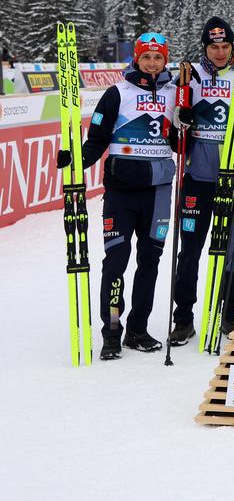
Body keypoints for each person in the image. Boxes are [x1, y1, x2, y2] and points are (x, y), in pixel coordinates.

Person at [58, 32, 177, 359]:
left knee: (150, 260)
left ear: (165, 60)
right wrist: (75, 160)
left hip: (158, 191)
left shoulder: (175, 94)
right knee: (116, 262)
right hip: (121, 192)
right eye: (146, 57)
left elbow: (182, 142)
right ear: (136, 59)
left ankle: (138, 328)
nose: (152, 63)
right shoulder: (116, 93)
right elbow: (96, 140)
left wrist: (185, 125)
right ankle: (112, 330)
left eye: (158, 58)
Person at [170, 17, 234, 345]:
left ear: (232, 47)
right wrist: (182, 119)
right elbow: (173, 113)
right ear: (204, 47)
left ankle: (231, 312)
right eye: (213, 47)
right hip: (198, 177)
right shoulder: (191, 76)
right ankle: (184, 317)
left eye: (225, 46)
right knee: (190, 249)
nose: (220, 52)